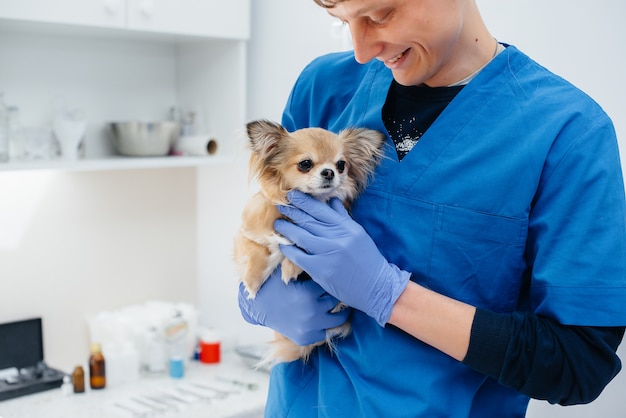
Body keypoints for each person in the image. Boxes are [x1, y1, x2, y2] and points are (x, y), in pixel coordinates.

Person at [237, 0, 626, 416]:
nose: (362, 50)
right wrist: (253, 295)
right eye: (343, 21)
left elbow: (576, 364)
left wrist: (388, 294)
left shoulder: (567, 132)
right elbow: (266, 220)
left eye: (380, 15)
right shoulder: (325, 88)